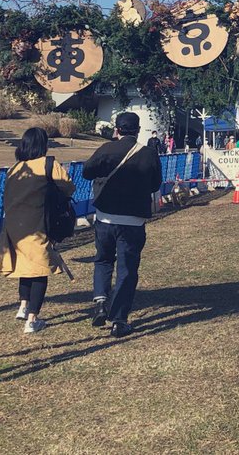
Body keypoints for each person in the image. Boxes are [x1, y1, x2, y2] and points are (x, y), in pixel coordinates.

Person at [82, 111, 163, 338]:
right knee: (127, 269)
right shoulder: (148, 154)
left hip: (105, 217)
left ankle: (100, 301)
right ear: (138, 131)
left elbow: (86, 172)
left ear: (116, 130)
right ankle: (119, 319)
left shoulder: (105, 150)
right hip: (133, 220)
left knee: (103, 260)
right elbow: (155, 184)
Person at [0, 128, 75, 334]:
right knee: (40, 270)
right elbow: (69, 187)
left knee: (25, 267)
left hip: (14, 226)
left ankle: (23, 306)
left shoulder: (15, 168)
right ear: (43, 144)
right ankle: (32, 319)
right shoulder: (48, 164)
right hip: (38, 224)